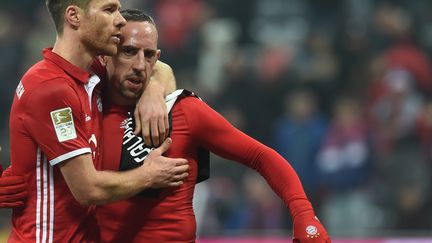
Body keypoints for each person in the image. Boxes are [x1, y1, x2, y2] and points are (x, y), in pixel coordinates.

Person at [97, 9, 331, 242]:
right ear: (105, 54)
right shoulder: (85, 108)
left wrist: (304, 214)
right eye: (128, 52)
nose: (139, 65)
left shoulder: (183, 110)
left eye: (148, 55)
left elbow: (261, 156)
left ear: (157, 58)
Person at [8, 1, 188, 242]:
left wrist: (153, 90)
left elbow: (159, 67)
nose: (120, 20)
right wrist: (149, 175)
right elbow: (88, 189)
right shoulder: (50, 89)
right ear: (73, 16)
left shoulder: (91, 73)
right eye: (109, 9)